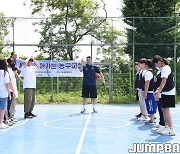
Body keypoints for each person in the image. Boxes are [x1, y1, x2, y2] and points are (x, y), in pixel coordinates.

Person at [152, 55, 175, 136]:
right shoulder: (161, 69)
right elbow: (160, 82)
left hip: (168, 92)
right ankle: (166, 126)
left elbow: (164, 81)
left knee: (166, 110)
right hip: (164, 92)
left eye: (155, 64)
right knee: (164, 110)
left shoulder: (166, 68)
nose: (155, 66)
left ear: (158, 62)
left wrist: (158, 92)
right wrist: (157, 90)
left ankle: (171, 128)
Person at [142, 59, 157, 124]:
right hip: (151, 92)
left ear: (146, 65)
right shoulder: (151, 72)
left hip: (150, 92)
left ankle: (152, 119)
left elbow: (147, 82)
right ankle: (151, 119)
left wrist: (145, 92)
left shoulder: (148, 73)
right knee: (150, 105)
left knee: (150, 105)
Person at [0, 59, 11, 129]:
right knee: (2, 108)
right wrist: (9, 93)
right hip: (3, 93)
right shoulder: (5, 73)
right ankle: (1, 122)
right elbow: (7, 84)